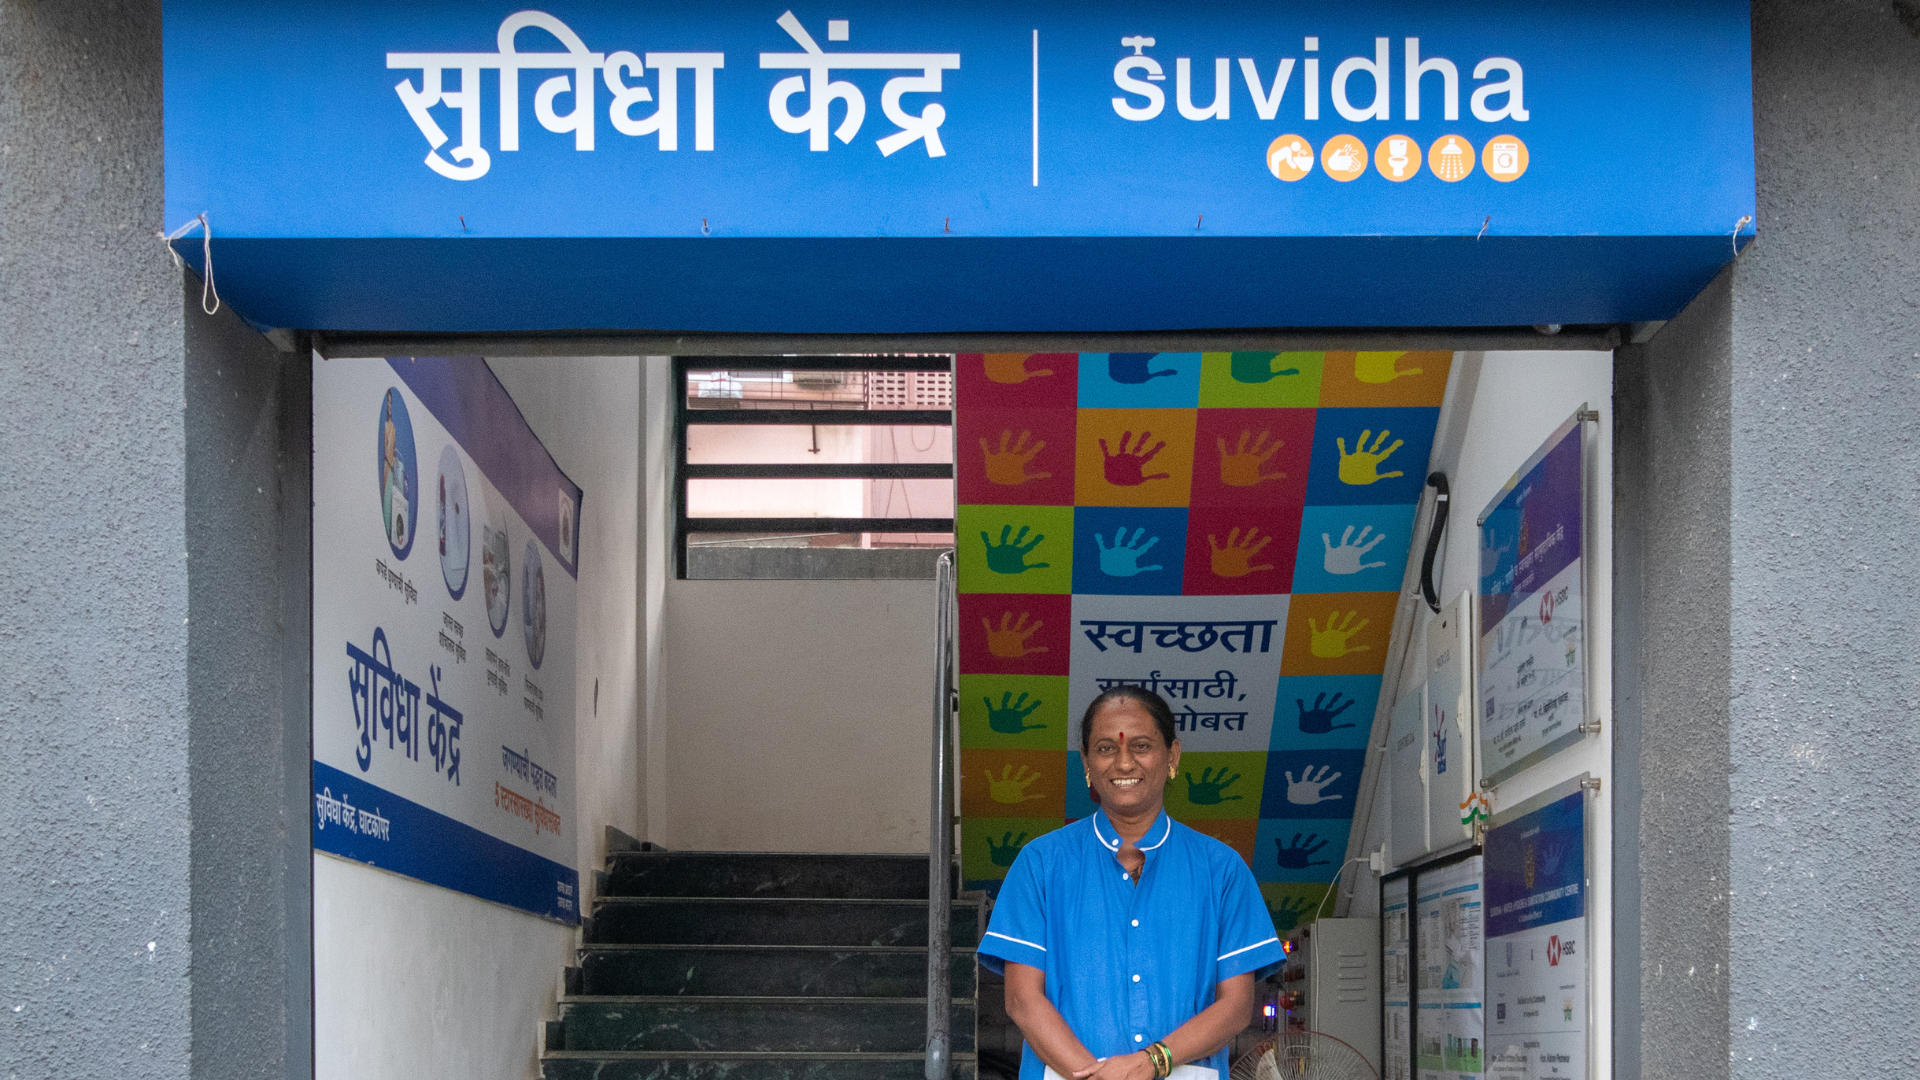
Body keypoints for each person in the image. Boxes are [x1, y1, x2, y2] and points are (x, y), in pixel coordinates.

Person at [979, 687, 1283, 1080]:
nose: (1124, 763)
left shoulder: (1221, 869)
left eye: (1141, 746)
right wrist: (1093, 1076)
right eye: (1105, 749)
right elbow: (1022, 999)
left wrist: (1152, 1062)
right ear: (1087, 762)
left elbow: (1237, 1007)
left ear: (1172, 756)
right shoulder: (1040, 864)